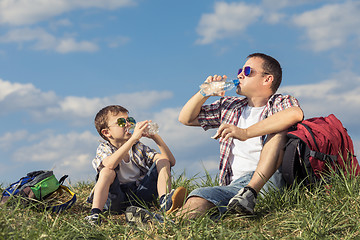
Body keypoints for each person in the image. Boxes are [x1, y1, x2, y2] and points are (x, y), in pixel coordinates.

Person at [177, 53, 303, 219]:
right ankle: (164, 221)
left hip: (268, 182)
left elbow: (294, 114)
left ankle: (249, 194)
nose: (239, 75)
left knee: (279, 130)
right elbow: (186, 118)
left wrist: (245, 133)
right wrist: (204, 92)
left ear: (267, 79)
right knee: (199, 196)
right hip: (235, 186)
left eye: (248, 71)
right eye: (239, 70)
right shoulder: (230, 106)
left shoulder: (280, 102)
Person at [85, 105, 187, 225]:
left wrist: (155, 137)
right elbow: (110, 164)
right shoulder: (104, 148)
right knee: (107, 171)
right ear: (107, 132)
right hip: (115, 198)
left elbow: (170, 161)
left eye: (130, 120)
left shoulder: (137, 147)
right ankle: (95, 214)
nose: (128, 125)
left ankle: (165, 201)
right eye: (121, 122)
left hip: (139, 195)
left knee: (162, 161)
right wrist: (133, 139)